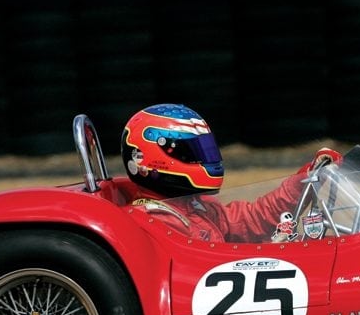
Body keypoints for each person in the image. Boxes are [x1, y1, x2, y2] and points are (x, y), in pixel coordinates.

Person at [115, 103, 339, 243]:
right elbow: (206, 266)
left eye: (204, 148)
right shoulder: (153, 221)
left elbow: (252, 219)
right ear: (146, 158)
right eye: (192, 151)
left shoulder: (195, 205)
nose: (204, 157)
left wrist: (306, 179)